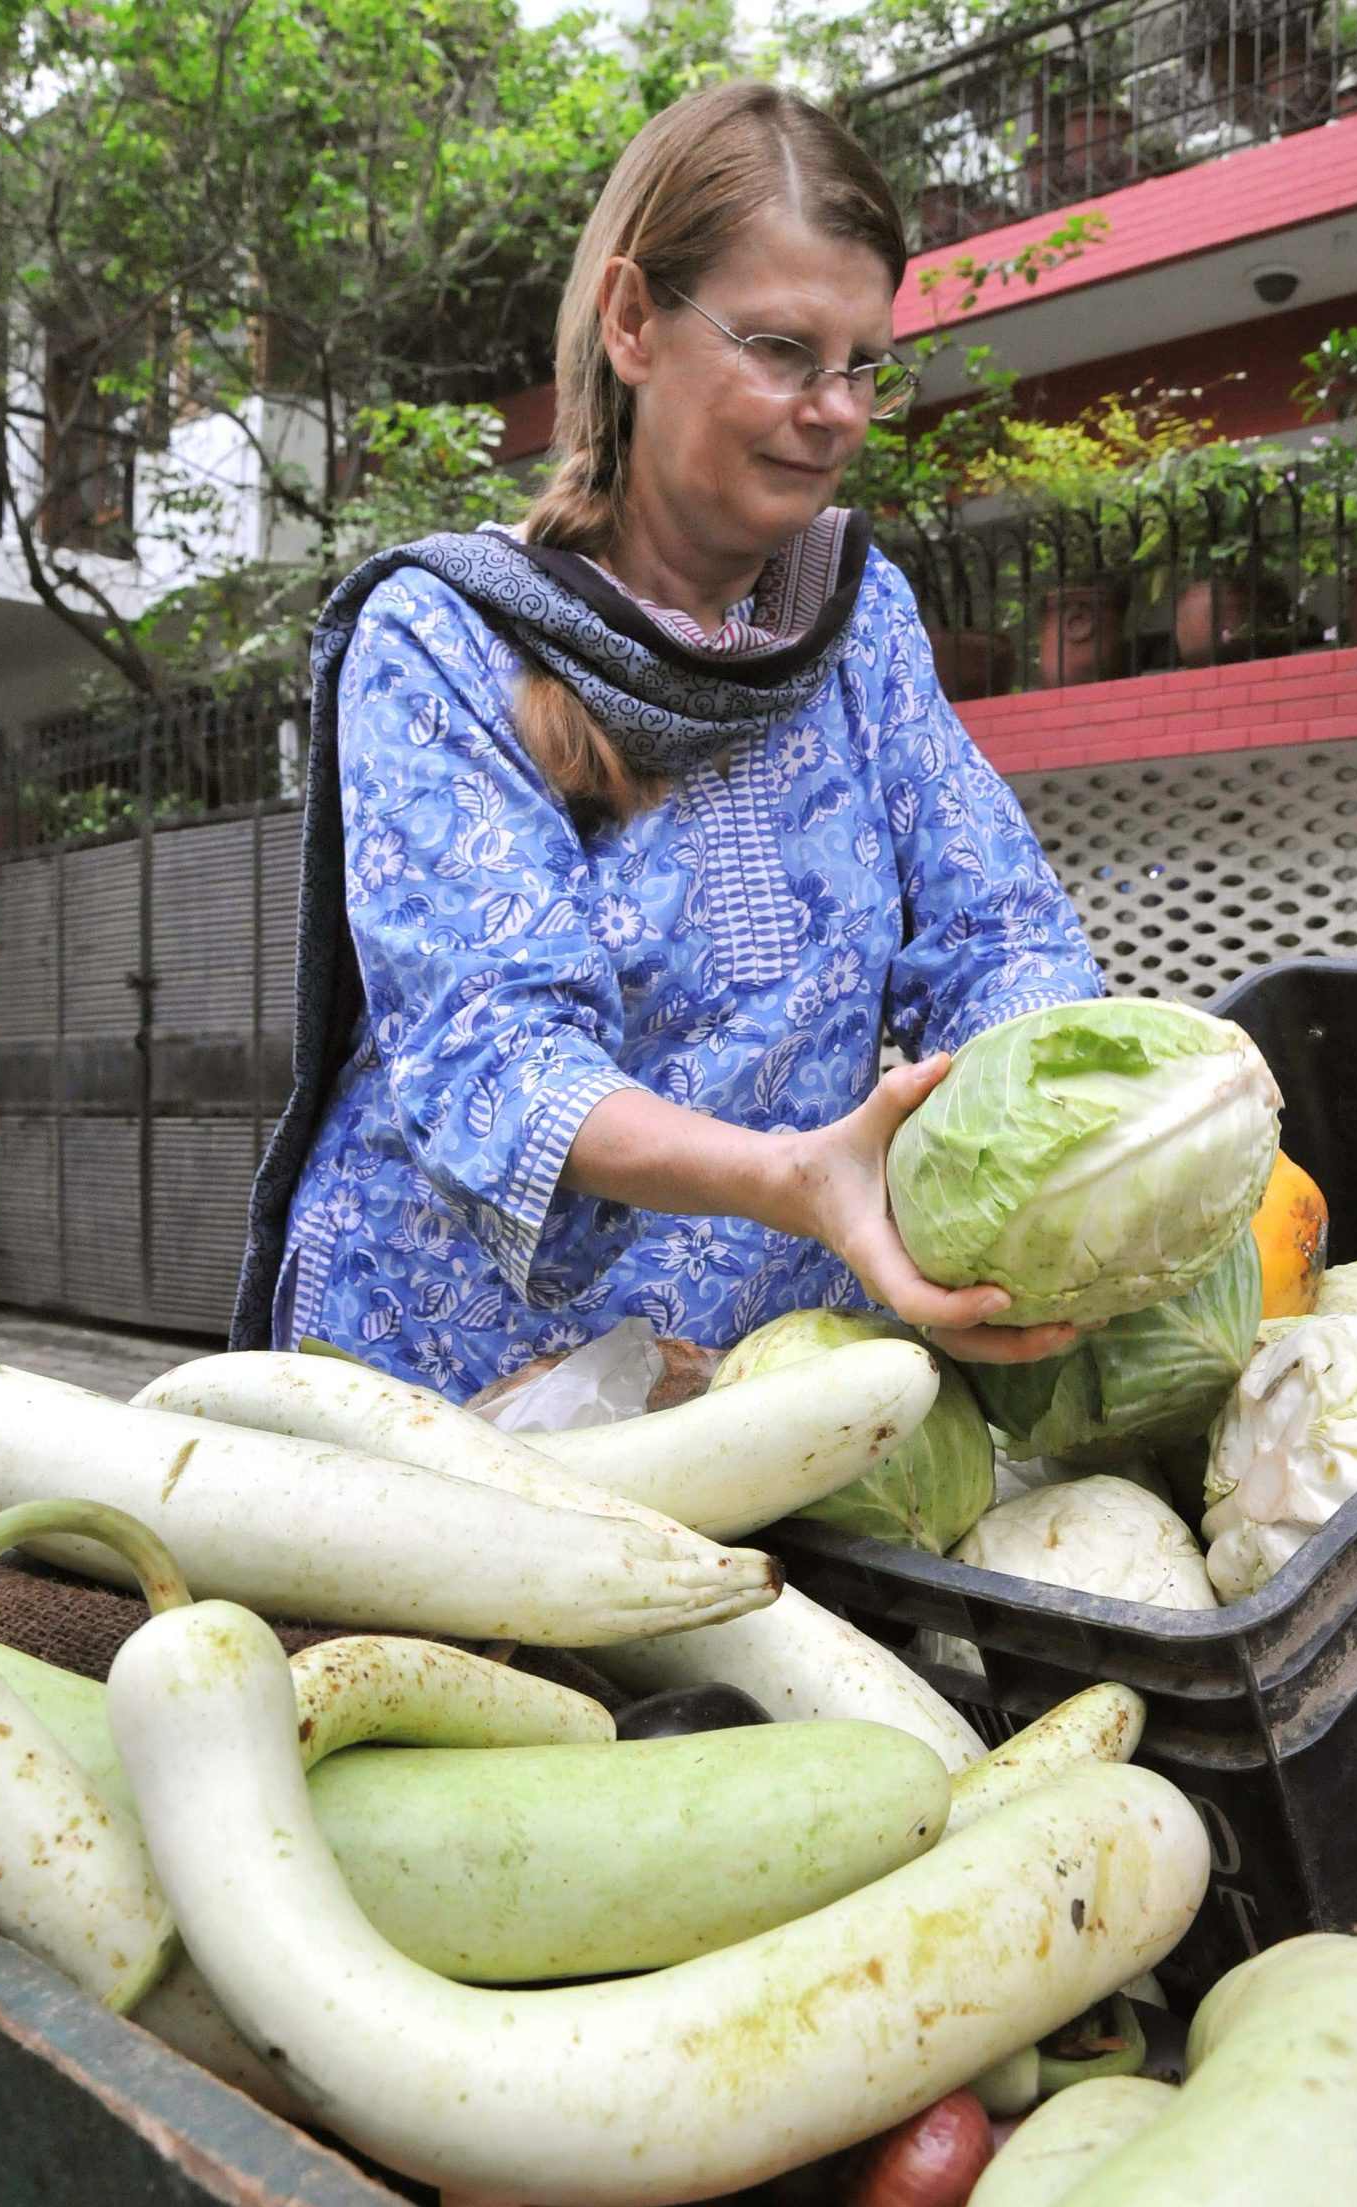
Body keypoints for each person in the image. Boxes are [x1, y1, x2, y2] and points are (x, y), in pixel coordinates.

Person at [231, 81, 1105, 1395]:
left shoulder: (857, 622)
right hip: (454, 1393)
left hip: (756, 1395)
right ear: (633, 320)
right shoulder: (444, 637)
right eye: (783, 349)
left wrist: (1067, 1154)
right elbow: (499, 1062)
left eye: (865, 363)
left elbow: (999, 934)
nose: (837, 409)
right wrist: (796, 1177)